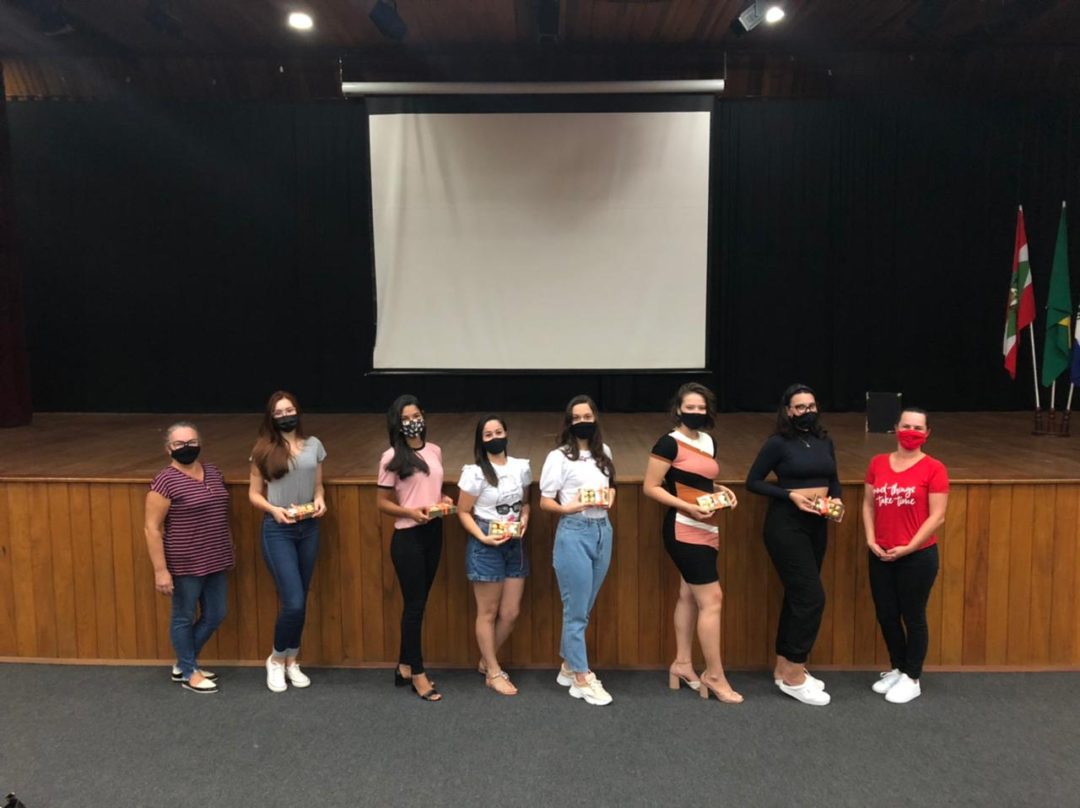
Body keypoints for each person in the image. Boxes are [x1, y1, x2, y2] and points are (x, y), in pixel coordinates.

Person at [643, 383, 743, 703]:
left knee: (688, 595)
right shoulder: (668, 443)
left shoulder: (708, 441)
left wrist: (721, 491)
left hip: (708, 525)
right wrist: (686, 506)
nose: (696, 413)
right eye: (690, 407)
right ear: (678, 409)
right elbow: (651, 487)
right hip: (683, 528)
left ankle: (683, 664)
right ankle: (714, 675)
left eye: (701, 408)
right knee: (712, 600)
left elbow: (701, 480)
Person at [746, 383, 840, 706]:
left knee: (798, 596)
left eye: (811, 406)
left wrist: (837, 501)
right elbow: (753, 482)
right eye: (800, 407)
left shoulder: (824, 440)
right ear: (788, 411)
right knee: (812, 597)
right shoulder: (777, 443)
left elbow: (833, 479)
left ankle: (784, 666)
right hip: (786, 525)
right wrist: (790, 496)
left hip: (818, 525)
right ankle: (795, 675)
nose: (807, 412)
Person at [862, 407, 949, 704]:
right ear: (896, 428)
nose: (911, 432)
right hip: (880, 553)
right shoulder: (877, 463)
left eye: (918, 428)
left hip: (917, 557)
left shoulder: (934, 468)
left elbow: (937, 516)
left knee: (913, 616)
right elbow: (868, 505)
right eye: (906, 426)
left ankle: (912, 677)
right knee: (886, 614)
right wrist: (871, 539)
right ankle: (898, 667)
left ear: (927, 433)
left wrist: (910, 547)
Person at [144, 421, 234, 694]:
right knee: (183, 616)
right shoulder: (164, 481)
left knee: (216, 614)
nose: (186, 447)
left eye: (192, 442)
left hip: (216, 557)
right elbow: (152, 528)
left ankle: (184, 663)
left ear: (200, 444)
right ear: (168, 449)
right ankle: (189, 672)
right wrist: (161, 570)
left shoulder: (214, 473)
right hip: (185, 561)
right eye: (179, 444)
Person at [539, 395, 616, 706]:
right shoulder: (558, 457)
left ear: (595, 418)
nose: (583, 422)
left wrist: (610, 497)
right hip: (574, 531)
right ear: (569, 423)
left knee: (584, 607)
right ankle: (583, 677)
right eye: (577, 418)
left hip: (603, 530)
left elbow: (611, 486)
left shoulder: (604, 452)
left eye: (588, 416)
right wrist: (567, 508)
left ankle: (568, 666)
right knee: (575, 611)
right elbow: (545, 501)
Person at [248, 391, 326, 693]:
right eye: (279, 412)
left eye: (289, 410)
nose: (285, 416)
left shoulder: (314, 445)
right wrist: (274, 510)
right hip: (278, 530)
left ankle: (293, 658)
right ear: (271, 417)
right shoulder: (263, 449)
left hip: (309, 527)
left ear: (298, 412)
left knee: (301, 599)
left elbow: (318, 485)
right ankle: (276, 659)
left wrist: (320, 500)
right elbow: (254, 494)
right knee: (292, 601)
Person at [377, 394, 451, 702]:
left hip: (434, 530)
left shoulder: (435, 450)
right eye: (405, 418)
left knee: (418, 603)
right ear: (397, 423)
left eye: (416, 416)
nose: (412, 422)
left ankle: (404, 665)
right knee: (415, 606)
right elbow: (382, 502)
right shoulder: (391, 457)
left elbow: (432, 488)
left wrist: (443, 500)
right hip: (408, 536)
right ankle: (418, 673)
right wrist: (409, 511)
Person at [457, 415, 532, 696]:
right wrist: (482, 536)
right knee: (487, 612)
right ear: (481, 441)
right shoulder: (475, 473)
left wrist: (525, 518)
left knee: (510, 612)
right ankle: (493, 671)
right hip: (486, 543)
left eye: (498, 432)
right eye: (488, 435)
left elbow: (526, 503)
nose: (494, 438)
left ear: (507, 433)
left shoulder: (521, 467)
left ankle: (486, 661)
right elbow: (463, 512)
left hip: (514, 542)